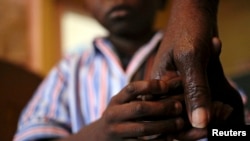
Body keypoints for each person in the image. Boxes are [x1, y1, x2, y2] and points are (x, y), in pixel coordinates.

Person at [14, 0, 245, 141]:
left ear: (162, 1)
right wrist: (100, 135)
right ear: (87, 4)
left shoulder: (194, 57)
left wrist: (229, 129)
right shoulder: (68, 70)